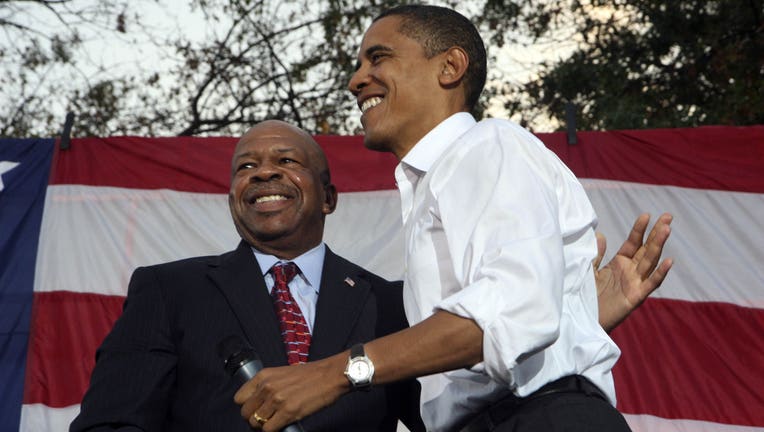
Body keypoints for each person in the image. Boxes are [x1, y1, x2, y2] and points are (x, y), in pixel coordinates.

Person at [233, 5, 673, 432]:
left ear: (450, 67)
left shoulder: (487, 144)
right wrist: (575, 318)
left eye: (379, 57)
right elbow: (516, 322)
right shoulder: (437, 182)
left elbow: (511, 312)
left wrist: (333, 373)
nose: (356, 80)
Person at [70, 120, 425, 432]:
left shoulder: (389, 304)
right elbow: (111, 422)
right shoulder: (169, 291)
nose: (263, 173)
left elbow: (446, 417)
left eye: (286, 161)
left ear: (328, 199)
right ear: (232, 199)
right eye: (246, 166)